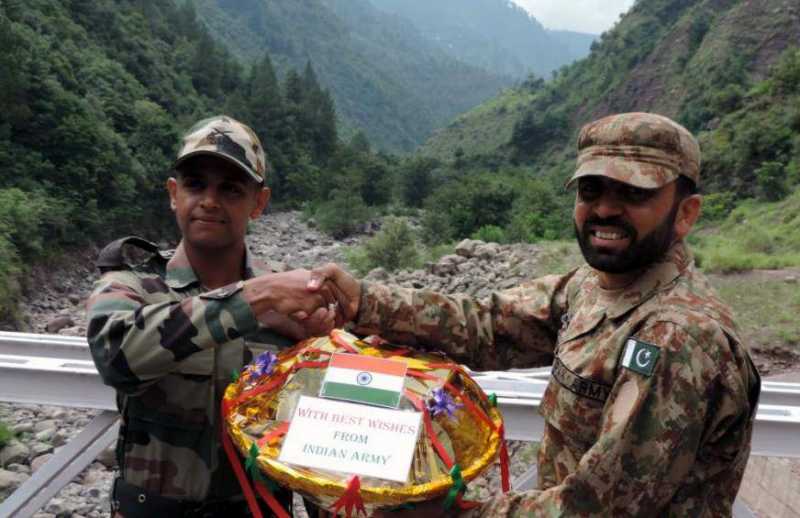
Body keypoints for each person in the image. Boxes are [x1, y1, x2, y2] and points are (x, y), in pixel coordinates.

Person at [310, 112, 761, 516]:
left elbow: (598, 509)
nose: (604, 208)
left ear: (685, 214)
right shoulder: (592, 286)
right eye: (591, 190)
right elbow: (488, 325)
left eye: (633, 193)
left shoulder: (675, 337)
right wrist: (363, 302)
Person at [86, 115, 336, 517]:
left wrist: (320, 342)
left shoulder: (294, 308)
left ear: (259, 203)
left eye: (231, 189)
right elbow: (116, 359)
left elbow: (320, 434)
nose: (209, 201)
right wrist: (255, 298)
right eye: (195, 184)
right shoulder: (133, 285)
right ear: (173, 193)